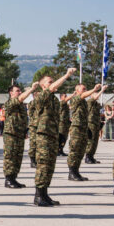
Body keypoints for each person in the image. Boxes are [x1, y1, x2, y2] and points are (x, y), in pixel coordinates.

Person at [30, 68, 76, 207]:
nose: (53, 83)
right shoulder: (41, 96)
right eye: (49, 82)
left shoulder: (54, 100)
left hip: (52, 135)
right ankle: (38, 196)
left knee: (50, 166)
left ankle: (45, 194)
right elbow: (52, 88)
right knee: (43, 165)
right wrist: (67, 75)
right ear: (43, 85)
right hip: (43, 136)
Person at [66, 83, 104, 181]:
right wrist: (94, 89)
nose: (85, 90)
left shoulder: (84, 102)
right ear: (77, 91)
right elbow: (83, 95)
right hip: (77, 128)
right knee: (75, 150)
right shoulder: (75, 99)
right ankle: (72, 172)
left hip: (83, 127)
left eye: (86, 89)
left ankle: (76, 171)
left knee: (81, 151)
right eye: (83, 89)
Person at [2, 83, 36, 189]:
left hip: (19, 133)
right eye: (17, 91)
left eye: (20, 91)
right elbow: (20, 98)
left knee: (18, 157)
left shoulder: (21, 105)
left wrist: (25, 130)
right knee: (10, 157)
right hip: (11, 134)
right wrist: (32, 89)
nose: (20, 92)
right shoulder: (10, 102)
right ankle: (8, 179)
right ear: (11, 93)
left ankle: (13, 178)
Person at [85, 91, 104, 164]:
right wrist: (102, 90)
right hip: (91, 124)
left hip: (96, 124)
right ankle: (87, 157)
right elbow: (95, 98)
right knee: (91, 141)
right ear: (91, 95)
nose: (98, 95)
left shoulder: (96, 103)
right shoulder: (90, 101)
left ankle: (91, 156)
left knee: (95, 141)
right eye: (96, 94)